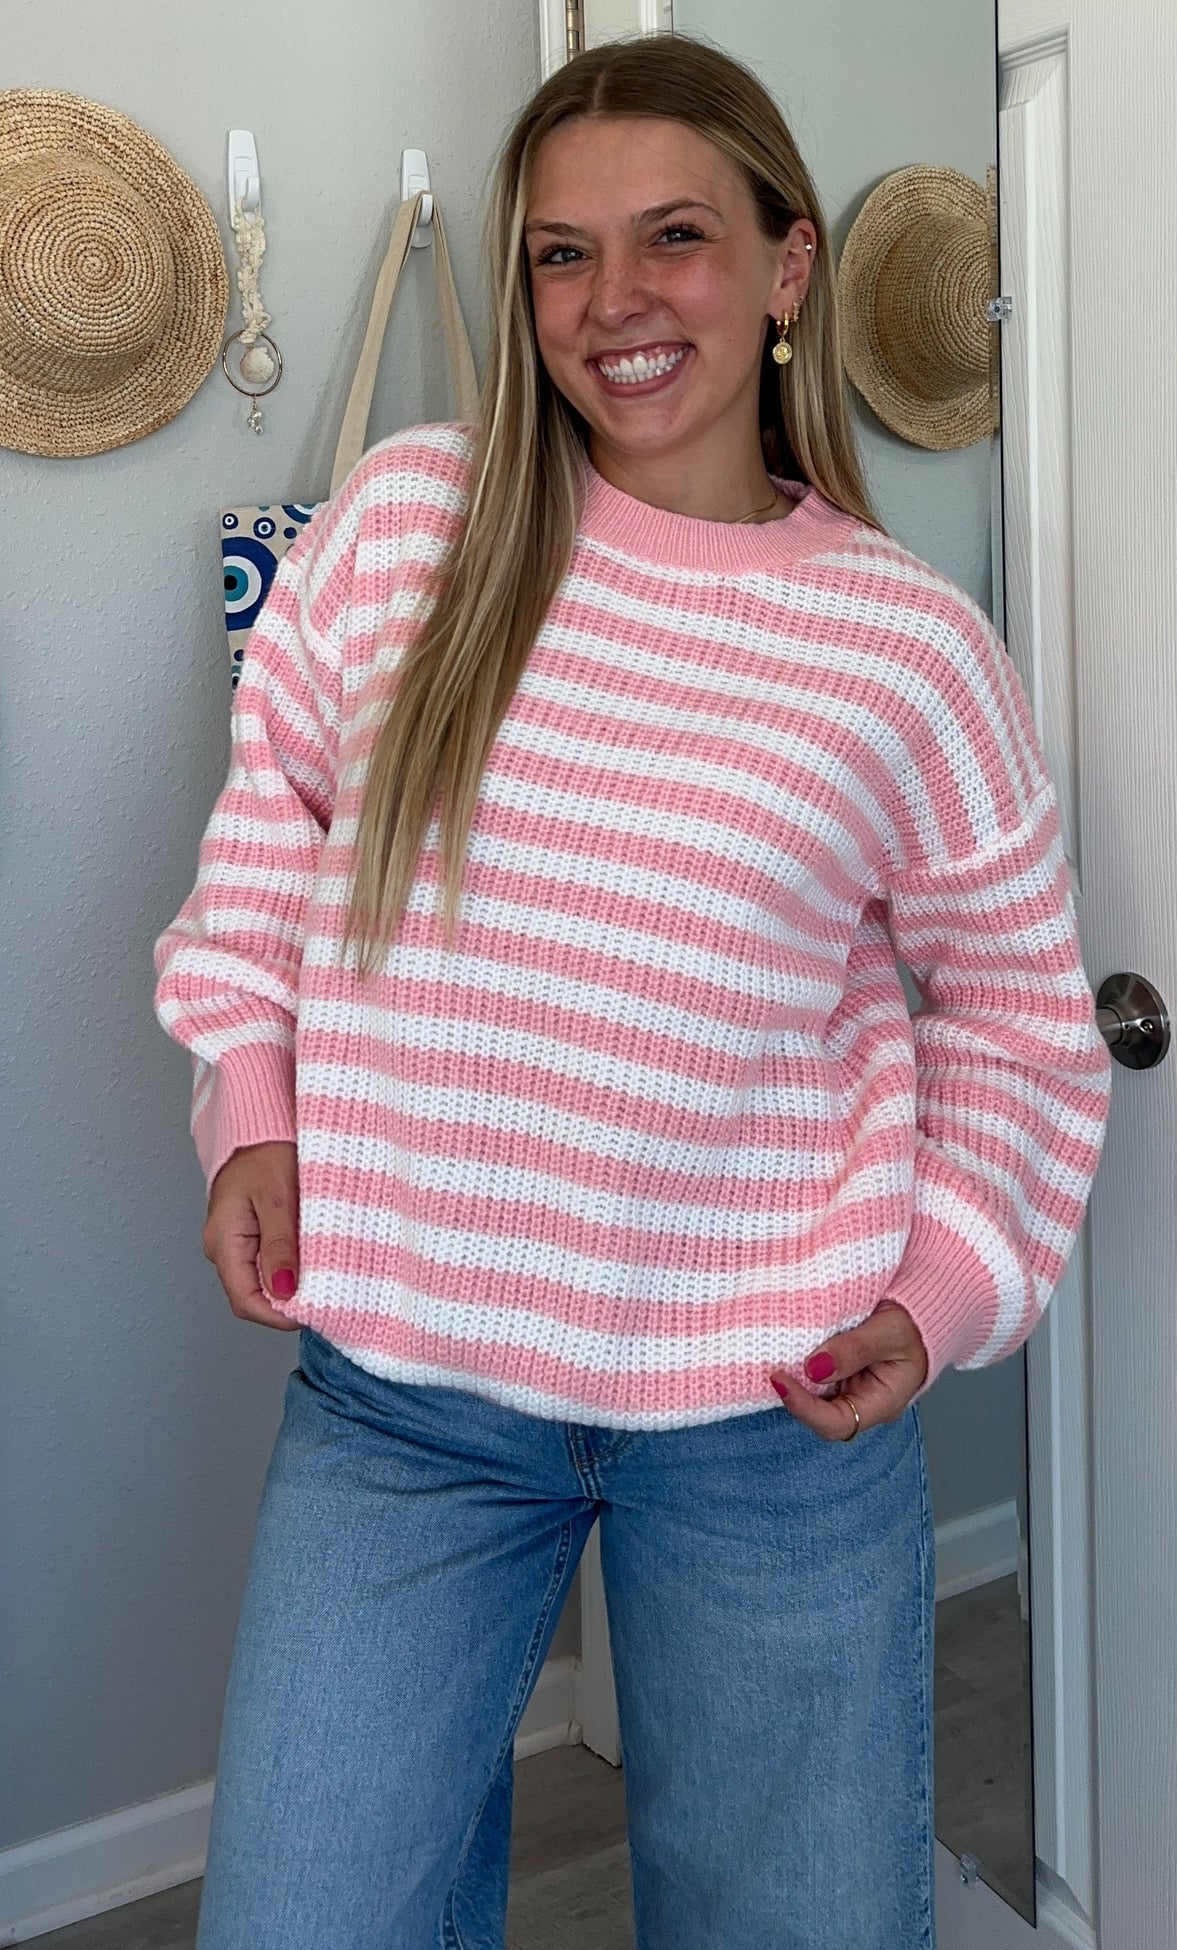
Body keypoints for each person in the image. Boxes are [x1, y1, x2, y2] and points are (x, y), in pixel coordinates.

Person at [154, 33, 1110, 1950]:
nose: (614, 302)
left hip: (772, 1413)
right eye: (561, 254)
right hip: (407, 1386)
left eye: (674, 235)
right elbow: (271, 837)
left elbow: (1020, 1015)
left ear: (785, 263)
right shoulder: (410, 529)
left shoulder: (905, 647)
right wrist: (248, 1106)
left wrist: (940, 1290)